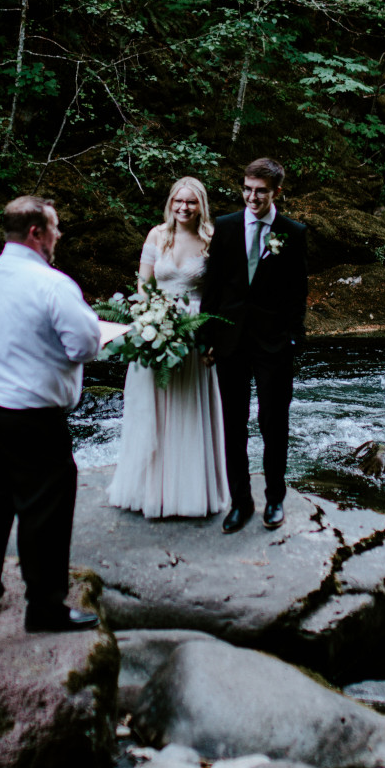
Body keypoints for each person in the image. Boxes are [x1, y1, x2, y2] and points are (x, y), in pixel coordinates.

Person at [0, 194, 103, 631]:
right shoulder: (52, 284)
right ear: (37, 233)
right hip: (35, 417)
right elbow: (85, 344)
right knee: (45, 511)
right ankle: (44, 608)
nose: (59, 236)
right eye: (56, 228)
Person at [107, 177, 229, 519]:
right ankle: (149, 489)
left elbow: (219, 292)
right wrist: (150, 320)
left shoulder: (211, 240)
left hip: (194, 330)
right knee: (153, 409)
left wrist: (210, 335)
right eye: (179, 201)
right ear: (170, 202)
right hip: (155, 329)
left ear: (200, 205)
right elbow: (144, 286)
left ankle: (190, 493)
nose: (184, 208)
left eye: (191, 202)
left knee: (187, 407)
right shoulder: (156, 235)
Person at [200, 156, 308, 533]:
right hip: (230, 341)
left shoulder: (292, 232)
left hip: (274, 343)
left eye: (260, 191)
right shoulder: (226, 228)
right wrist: (206, 337)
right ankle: (240, 502)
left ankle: (275, 498)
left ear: (276, 191)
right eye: (247, 189)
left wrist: (293, 338)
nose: (252, 197)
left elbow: (298, 292)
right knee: (234, 424)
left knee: (273, 423)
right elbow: (212, 287)